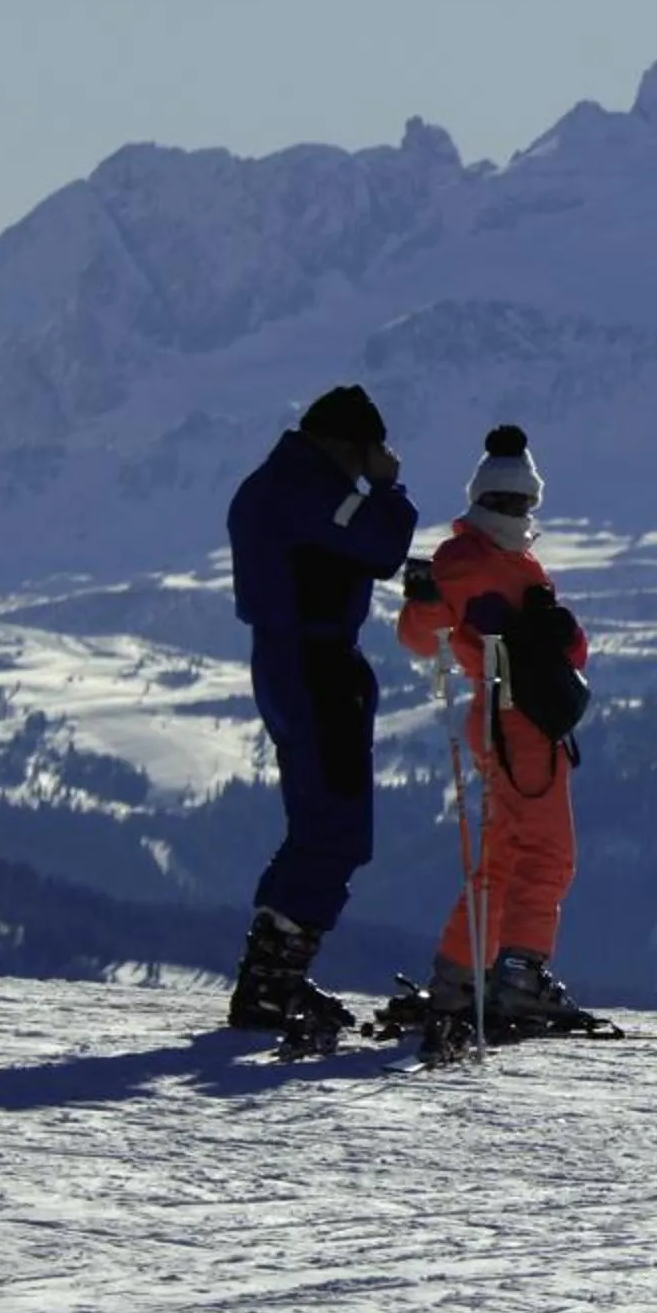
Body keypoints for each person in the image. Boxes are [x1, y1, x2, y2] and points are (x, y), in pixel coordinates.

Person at [224, 384, 419, 1033]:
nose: (368, 467)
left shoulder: (274, 484)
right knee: (336, 829)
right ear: (341, 443)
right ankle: (272, 987)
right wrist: (390, 490)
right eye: (365, 454)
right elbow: (382, 545)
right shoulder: (308, 487)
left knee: (314, 824)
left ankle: (271, 980)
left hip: (286, 664)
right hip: (316, 670)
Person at [398, 424, 593, 1039]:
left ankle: (463, 977)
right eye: (507, 503)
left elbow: (573, 652)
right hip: (518, 721)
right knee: (547, 853)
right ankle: (517, 975)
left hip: (508, 715)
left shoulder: (494, 560)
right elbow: (419, 635)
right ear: (483, 500)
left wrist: (562, 635)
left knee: (507, 854)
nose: (517, 512)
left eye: (523, 503)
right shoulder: (493, 561)